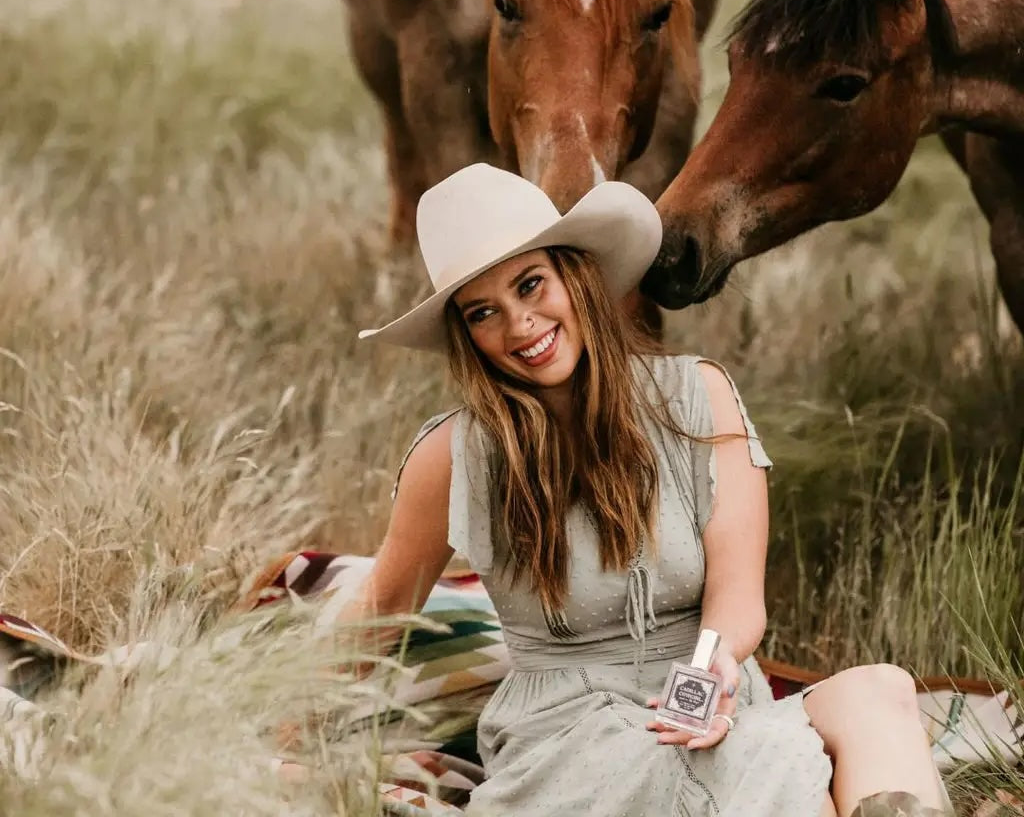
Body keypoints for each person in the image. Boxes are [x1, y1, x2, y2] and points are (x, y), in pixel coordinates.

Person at [356, 163, 952, 817]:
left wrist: (704, 679)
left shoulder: (698, 395)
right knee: (760, 767)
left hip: (709, 688)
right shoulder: (455, 453)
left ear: (574, 278)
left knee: (880, 691)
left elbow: (737, 596)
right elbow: (379, 612)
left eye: (531, 285)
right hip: (568, 732)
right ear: (466, 335)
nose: (520, 325)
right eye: (483, 312)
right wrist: (272, 721)